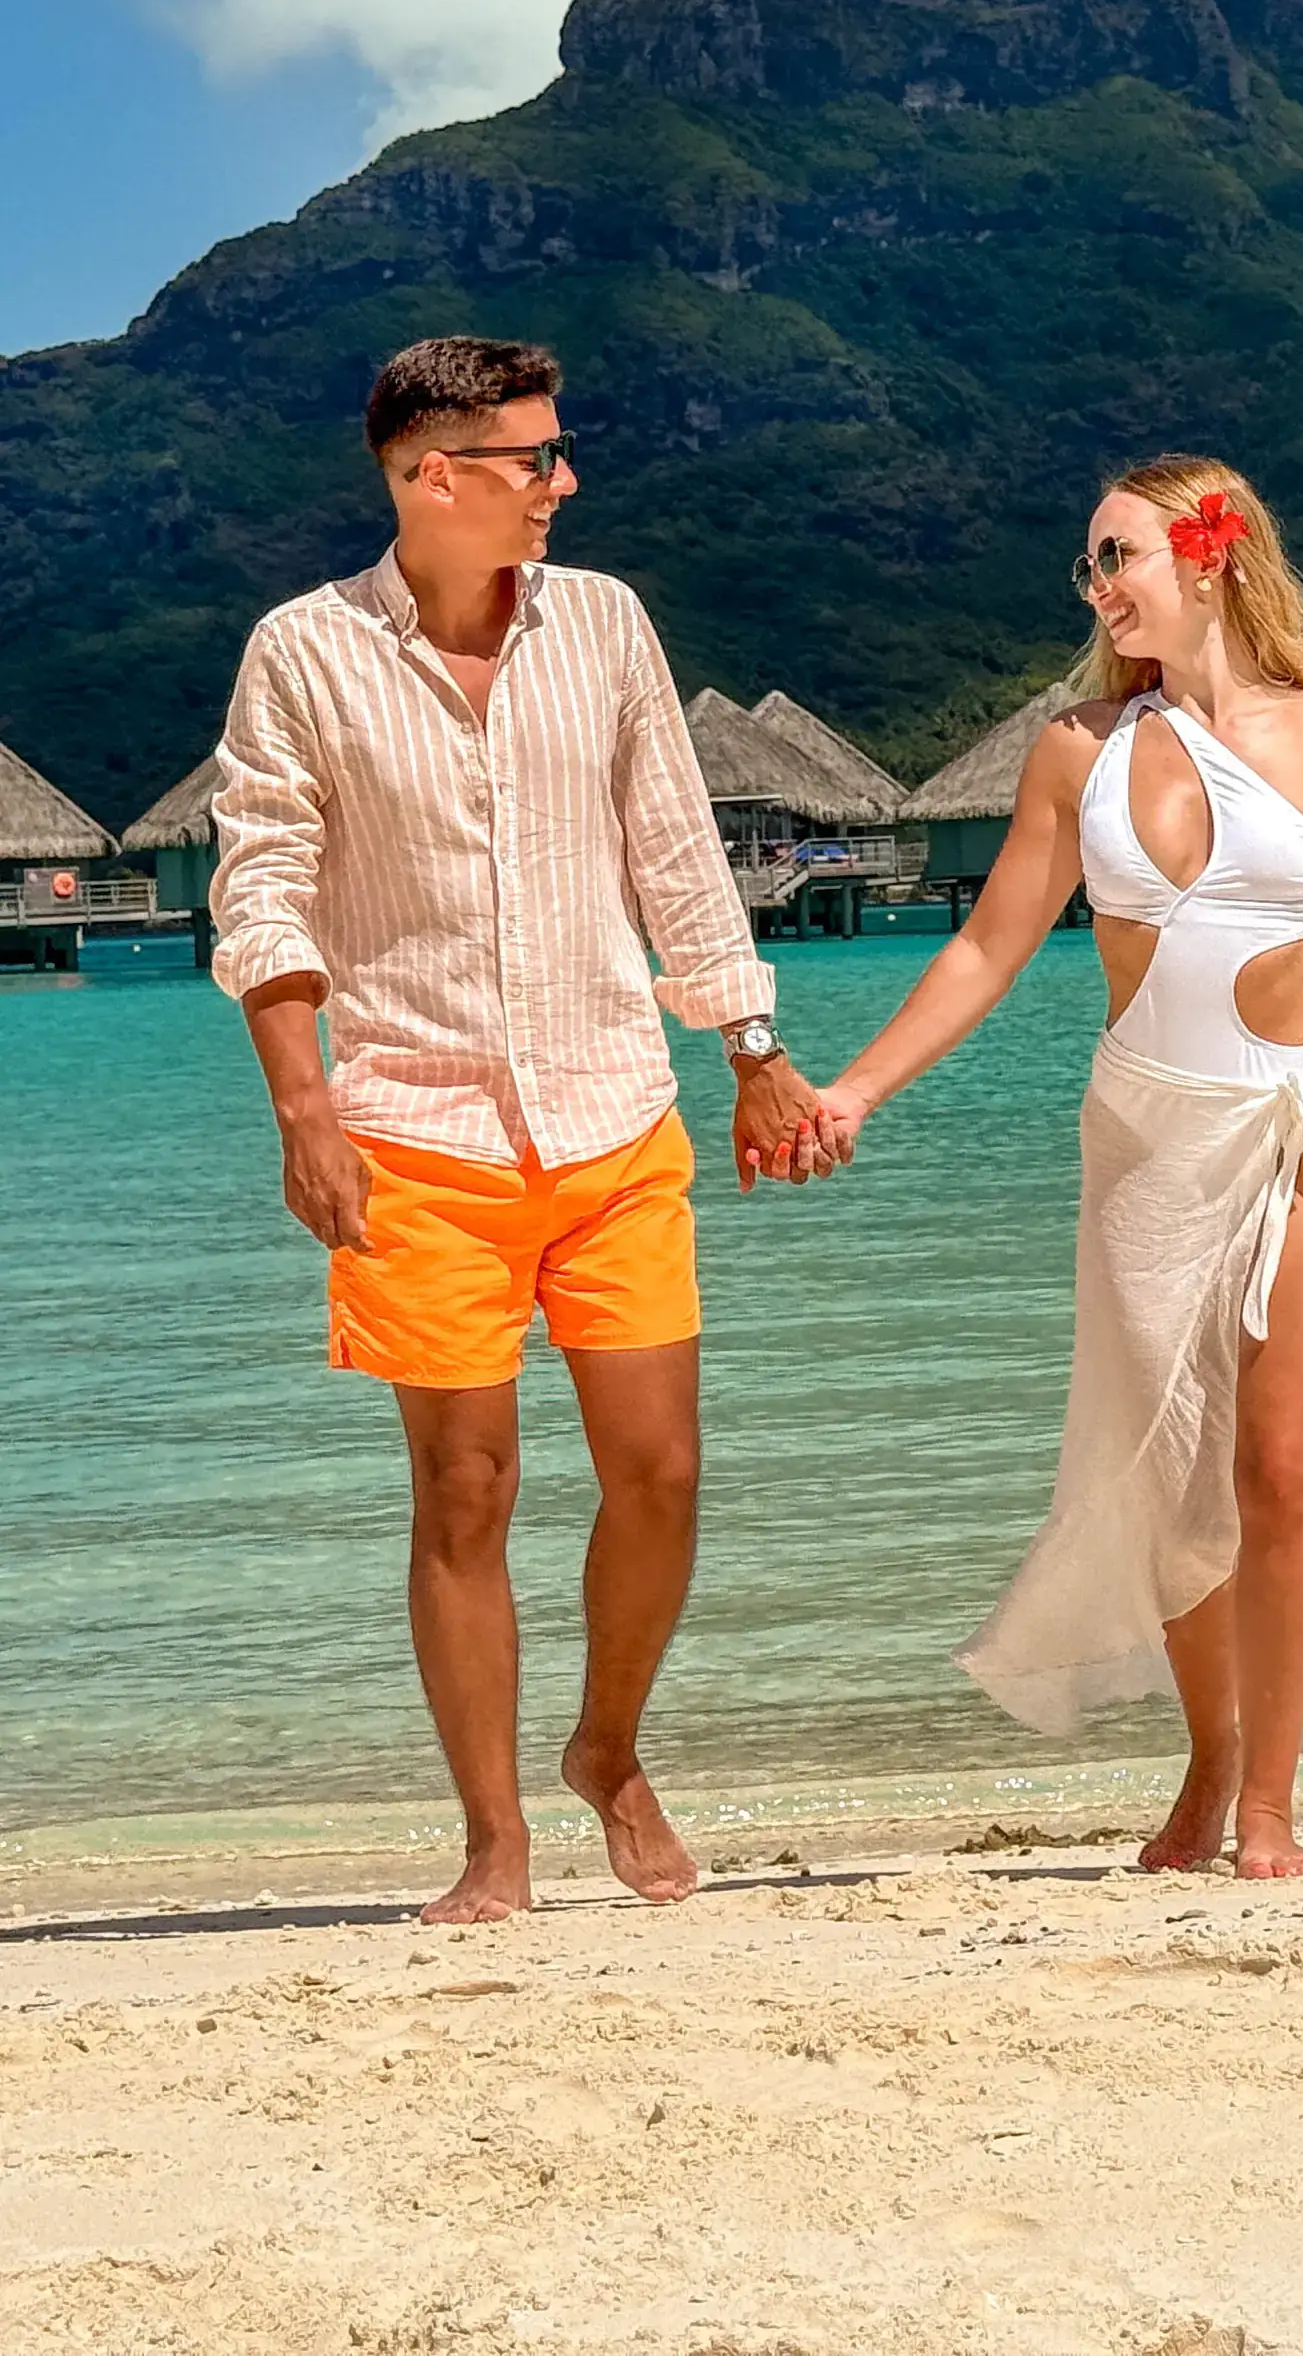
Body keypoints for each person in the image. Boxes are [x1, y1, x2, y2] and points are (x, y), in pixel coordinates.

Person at [210, 335, 827, 1924]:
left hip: (616, 1109)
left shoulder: (605, 624)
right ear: (431, 477)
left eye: (557, 453)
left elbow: (677, 853)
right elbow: (263, 881)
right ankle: (495, 1839)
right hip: (411, 1124)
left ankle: (606, 1751)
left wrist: (752, 1049)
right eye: (533, 460)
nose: (566, 482)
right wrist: (305, 1107)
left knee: (661, 1472)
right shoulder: (304, 652)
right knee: (465, 1489)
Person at [809, 455, 1303, 1876]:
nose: (1100, 587)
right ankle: (1209, 1769)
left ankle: (1274, 1816)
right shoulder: (1077, 752)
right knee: (1181, 1486)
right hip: (1150, 1138)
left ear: (1210, 557)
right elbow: (989, 946)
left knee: (1281, 1459)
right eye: (1092, 566)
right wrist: (855, 1088)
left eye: (1119, 557)